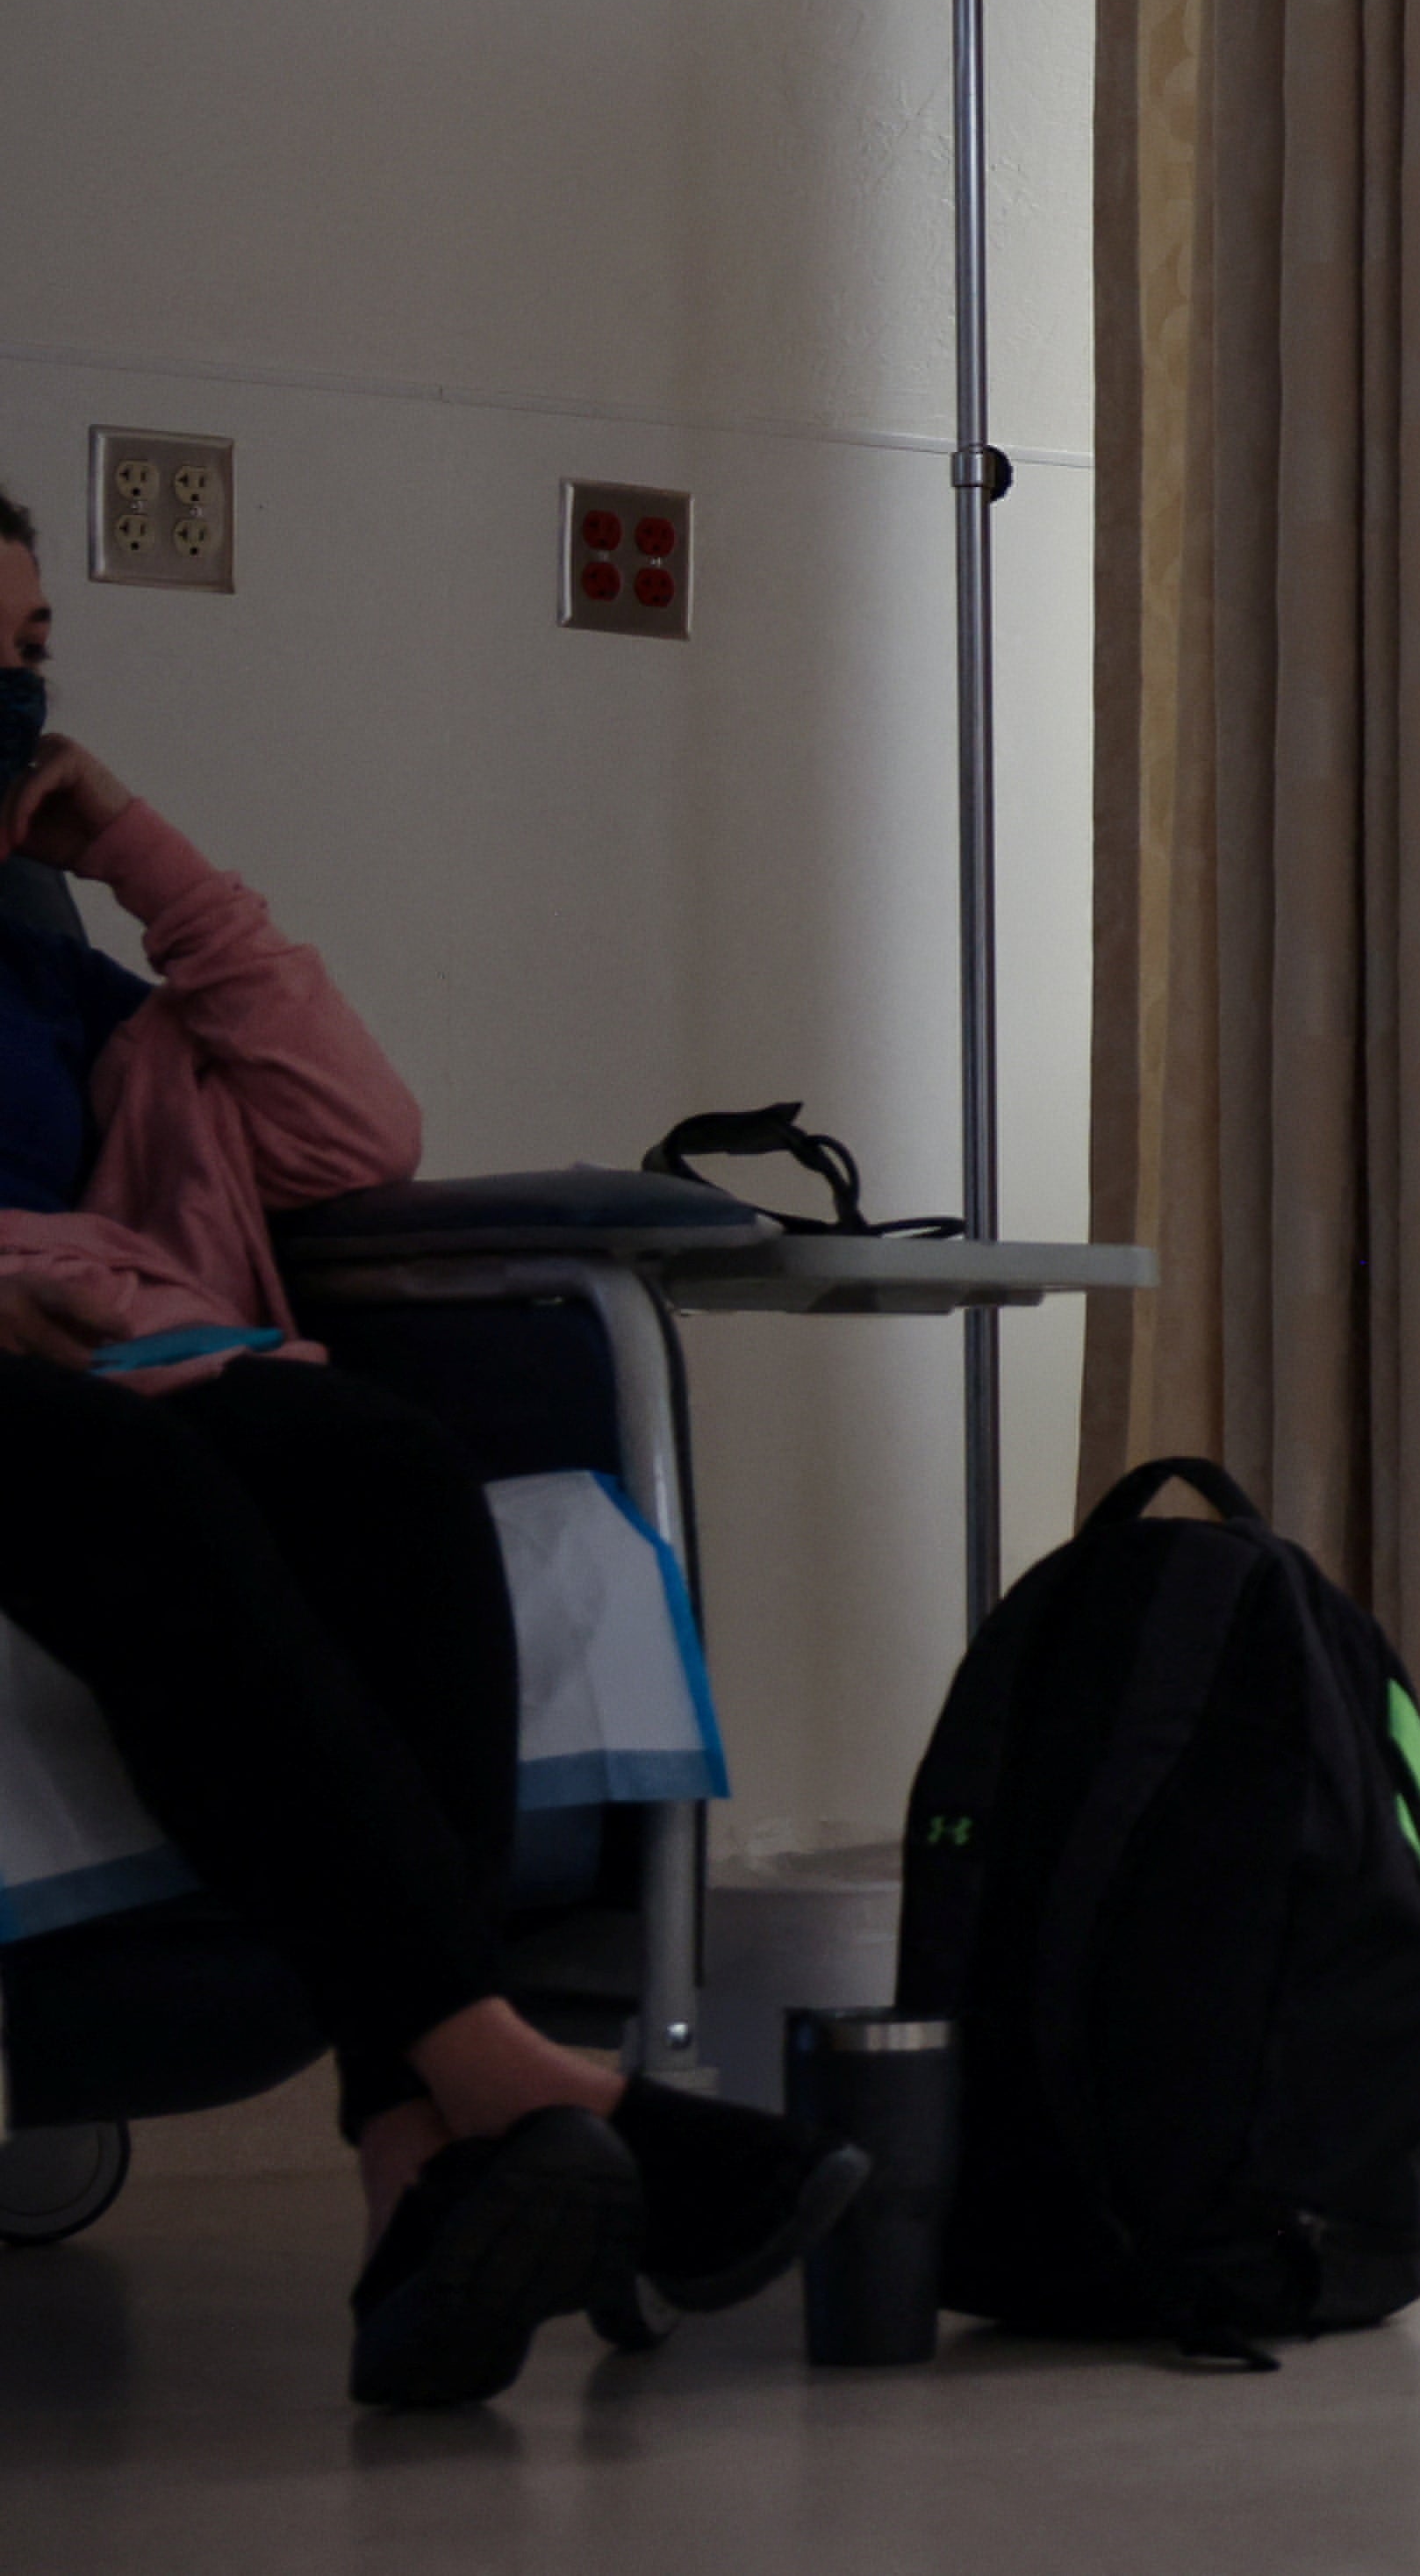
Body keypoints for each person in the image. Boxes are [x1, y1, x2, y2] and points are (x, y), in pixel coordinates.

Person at [0, 488, 857, 2403]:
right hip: (40, 1399)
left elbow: (350, 1138)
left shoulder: (68, 983)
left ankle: (418, 2145)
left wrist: (144, 855)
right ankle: (500, 2084)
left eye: (35, 653)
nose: (16, 694)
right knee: (123, 1473)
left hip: (164, 1368)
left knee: (380, 1465)